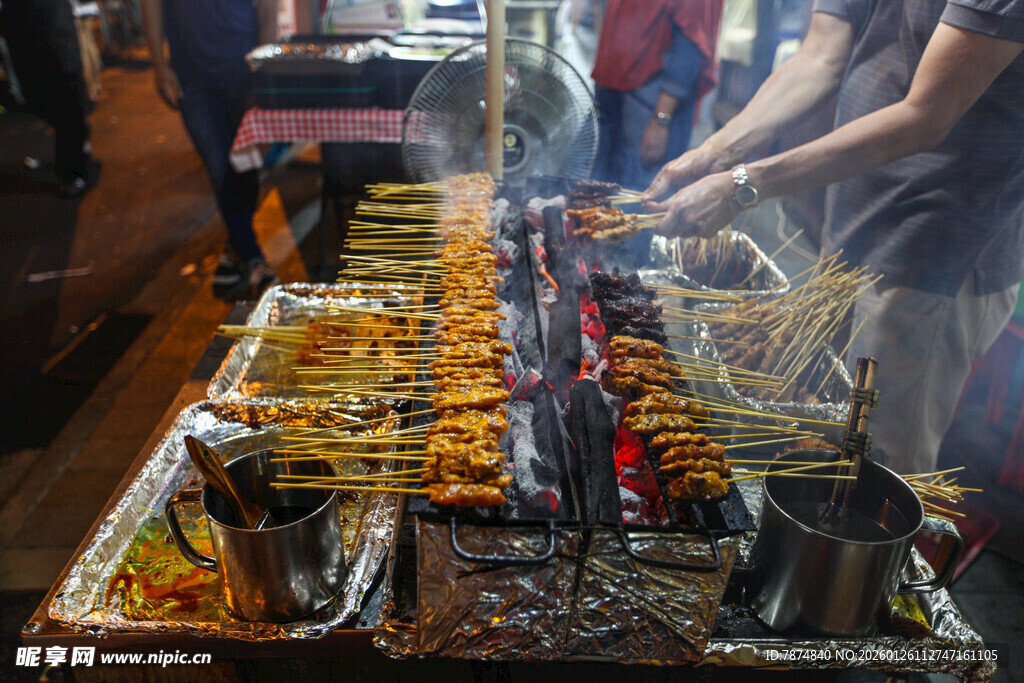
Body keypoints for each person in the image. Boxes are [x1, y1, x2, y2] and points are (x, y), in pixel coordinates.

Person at [644, 0, 1024, 474]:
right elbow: (819, 55)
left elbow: (927, 114)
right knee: (818, 446)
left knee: (875, 469)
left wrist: (744, 185)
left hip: (930, 254)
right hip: (850, 224)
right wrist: (717, 151)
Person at [140, 0, 280, 300]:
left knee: (245, 164)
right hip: (193, 80)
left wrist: (264, 69)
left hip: (244, 72)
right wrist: (159, 65)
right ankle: (253, 257)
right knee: (221, 168)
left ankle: (236, 247)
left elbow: (268, 8)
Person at [1, 0, 100, 198]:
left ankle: (72, 173)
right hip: (24, 37)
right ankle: (78, 135)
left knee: (68, 102)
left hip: (56, 33)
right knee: (34, 100)